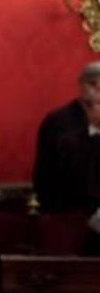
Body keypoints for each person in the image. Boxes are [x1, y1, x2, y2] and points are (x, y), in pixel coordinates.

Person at [33, 61, 100, 251]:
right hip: (69, 216)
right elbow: (47, 175)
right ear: (85, 86)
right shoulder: (59, 122)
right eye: (93, 84)